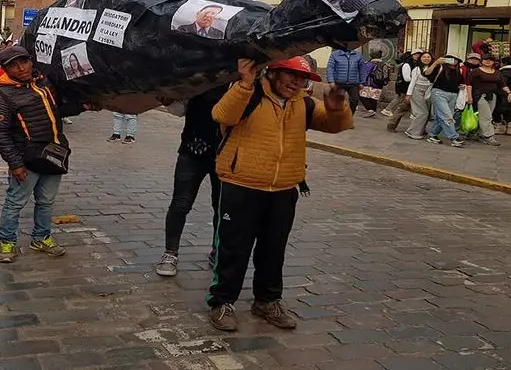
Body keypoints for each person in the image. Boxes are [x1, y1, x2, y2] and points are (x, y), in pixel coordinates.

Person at [207, 56, 352, 332]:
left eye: (302, 78)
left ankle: (267, 300)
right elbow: (222, 116)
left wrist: (336, 108)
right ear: (273, 72)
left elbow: (335, 124)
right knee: (232, 249)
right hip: (242, 185)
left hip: (284, 188)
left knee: (274, 251)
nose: (297, 83)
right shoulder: (248, 93)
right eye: (291, 75)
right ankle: (221, 302)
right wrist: (245, 84)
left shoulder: (303, 103)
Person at [0, 45, 91, 263]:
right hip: (26, 158)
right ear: (5, 69)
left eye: (23, 62)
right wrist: (15, 163)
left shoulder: (44, 83)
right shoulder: (3, 95)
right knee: (15, 202)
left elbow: (57, 110)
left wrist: (82, 106)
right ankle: (7, 242)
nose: (21, 68)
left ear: (31, 61)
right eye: (13, 66)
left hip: (54, 152)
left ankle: (41, 238)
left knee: (46, 201)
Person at [155, 85, 227, 277]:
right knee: (180, 203)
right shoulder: (203, 76)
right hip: (192, 151)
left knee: (221, 206)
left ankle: (217, 251)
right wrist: (169, 100)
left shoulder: (242, 83)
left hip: (226, 154)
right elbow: (179, 109)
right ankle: (170, 253)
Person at [467, 55, 511, 147]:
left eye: (490, 60)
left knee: (484, 116)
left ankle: (474, 133)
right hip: (480, 96)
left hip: (492, 96)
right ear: (482, 61)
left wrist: (509, 93)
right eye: (486, 59)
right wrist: (469, 97)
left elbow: (502, 85)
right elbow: (469, 84)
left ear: (494, 62)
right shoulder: (476, 72)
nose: (488, 61)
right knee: (487, 117)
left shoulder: (497, 73)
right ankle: (489, 136)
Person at [424, 55, 464, 148]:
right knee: (447, 116)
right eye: (450, 58)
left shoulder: (459, 70)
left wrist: (461, 86)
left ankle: (432, 135)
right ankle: (454, 138)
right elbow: (427, 73)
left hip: (453, 95)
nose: (453, 61)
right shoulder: (440, 67)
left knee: (441, 117)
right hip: (439, 93)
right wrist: (436, 62)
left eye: (456, 59)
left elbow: (460, 83)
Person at [403, 50, 433, 139]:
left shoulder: (434, 68)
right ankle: (412, 132)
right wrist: (409, 94)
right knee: (422, 113)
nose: (426, 59)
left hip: (428, 92)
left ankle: (421, 130)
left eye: (428, 57)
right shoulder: (417, 69)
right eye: (424, 57)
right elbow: (412, 82)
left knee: (427, 113)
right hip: (417, 91)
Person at [325, 47, 365, 113]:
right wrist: (331, 81)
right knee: (337, 100)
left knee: (355, 100)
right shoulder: (335, 54)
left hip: (353, 83)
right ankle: (337, 115)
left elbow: (362, 69)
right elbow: (330, 68)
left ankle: (350, 114)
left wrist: (362, 82)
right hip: (339, 82)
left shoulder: (358, 55)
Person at [358, 49, 390, 117]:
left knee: (361, 96)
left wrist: (361, 82)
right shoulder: (383, 64)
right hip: (379, 83)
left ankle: (370, 110)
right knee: (373, 98)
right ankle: (373, 111)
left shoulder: (370, 64)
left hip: (370, 83)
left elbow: (365, 73)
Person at [494, 56, 511, 135]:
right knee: (506, 112)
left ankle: (498, 128)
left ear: (504, 63)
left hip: (502, 94)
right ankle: (510, 129)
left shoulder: (504, 72)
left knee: (497, 111)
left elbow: (501, 83)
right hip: (510, 93)